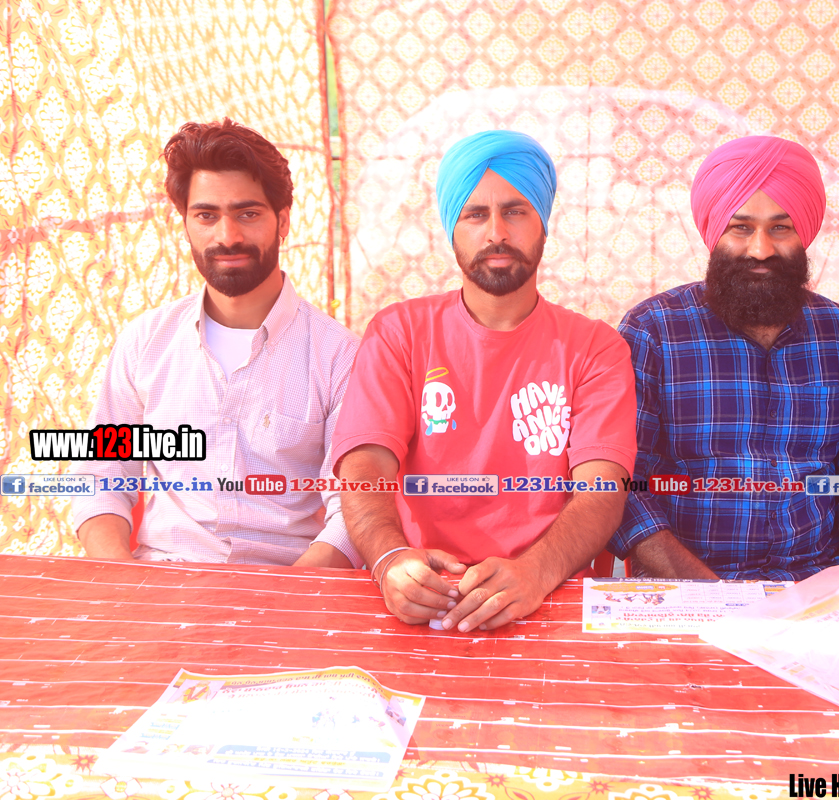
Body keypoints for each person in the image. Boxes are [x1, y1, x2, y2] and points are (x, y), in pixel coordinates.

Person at [331, 130, 636, 632]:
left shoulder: (595, 348)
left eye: (515, 211)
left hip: (550, 597)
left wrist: (536, 572)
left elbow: (602, 489)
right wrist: (389, 561)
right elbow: (365, 465)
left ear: (543, 224)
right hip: (418, 595)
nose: (497, 232)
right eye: (475, 214)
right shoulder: (399, 332)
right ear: (451, 229)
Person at [72, 119, 360, 568]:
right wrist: (125, 580)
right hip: (161, 580)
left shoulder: (340, 356)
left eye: (248, 213)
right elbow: (101, 476)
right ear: (186, 224)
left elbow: (353, 508)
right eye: (206, 215)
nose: (227, 236)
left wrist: (282, 598)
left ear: (283, 221)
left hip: (288, 585)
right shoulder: (145, 343)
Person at [609, 135, 839, 580]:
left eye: (780, 228)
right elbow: (623, 488)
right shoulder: (653, 332)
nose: (761, 249)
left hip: (814, 586)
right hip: (686, 591)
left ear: (803, 234)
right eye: (741, 228)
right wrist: (718, 597)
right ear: (714, 234)